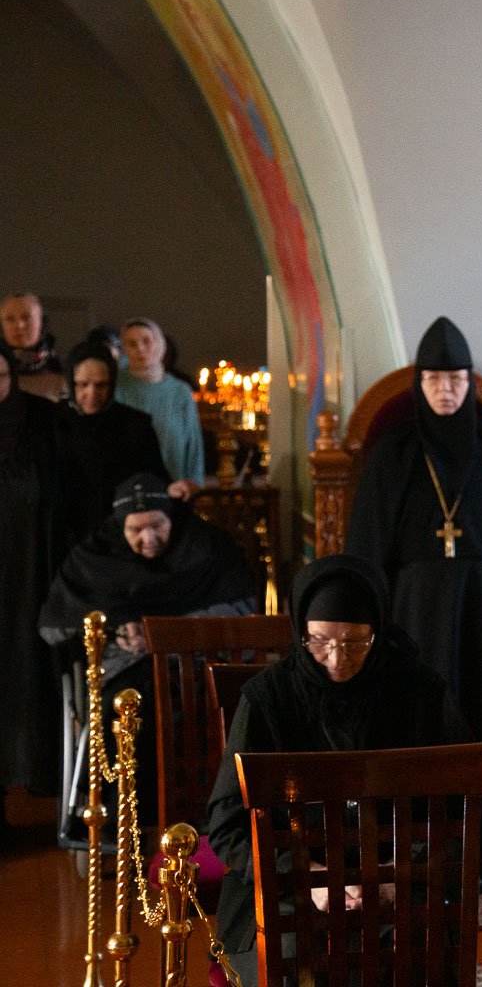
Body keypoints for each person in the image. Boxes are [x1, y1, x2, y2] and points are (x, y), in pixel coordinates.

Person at [345, 316, 482, 872]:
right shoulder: (391, 454)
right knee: (417, 721)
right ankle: (414, 850)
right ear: (420, 384)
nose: (446, 390)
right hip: (411, 613)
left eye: (457, 380)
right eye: (435, 380)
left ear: (469, 384)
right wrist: (364, 622)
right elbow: (366, 547)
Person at [206, 554, 469, 987]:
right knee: (293, 955)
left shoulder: (421, 694)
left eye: (355, 643)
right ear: (300, 632)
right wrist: (308, 876)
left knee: (420, 946)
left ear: (377, 632)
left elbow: (461, 807)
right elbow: (227, 825)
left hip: (400, 881)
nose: (335, 659)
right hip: (288, 887)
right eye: (320, 642)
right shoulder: (267, 700)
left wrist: (397, 874)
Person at [39, 473, 258, 825]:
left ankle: (215, 816)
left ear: (171, 517)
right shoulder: (93, 559)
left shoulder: (204, 546)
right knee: (131, 707)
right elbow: (53, 627)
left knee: (213, 702)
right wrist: (114, 628)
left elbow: (244, 609)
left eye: (157, 525)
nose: (149, 539)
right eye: (136, 530)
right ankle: (127, 819)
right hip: (128, 668)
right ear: (120, 526)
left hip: (197, 661)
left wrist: (168, 632)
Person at [0, 342, 81, 829]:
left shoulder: (41, 423)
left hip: (29, 572)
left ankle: (34, 778)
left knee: (26, 681)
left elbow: (62, 499)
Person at [63, 340, 171, 525]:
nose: (92, 393)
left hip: (121, 528)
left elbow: (154, 480)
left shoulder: (135, 424)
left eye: (101, 385)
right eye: (83, 384)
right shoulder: (54, 422)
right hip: (67, 527)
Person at [114, 317, 206, 487]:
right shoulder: (116, 386)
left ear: (159, 343)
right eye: (132, 344)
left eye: (146, 341)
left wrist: (194, 483)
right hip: (128, 485)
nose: (140, 349)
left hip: (175, 484)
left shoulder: (180, 391)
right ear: (124, 349)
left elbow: (193, 443)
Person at [1, 292, 68, 402]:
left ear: (42, 322)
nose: (19, 325)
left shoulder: (65, 372)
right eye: (10, 319)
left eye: (26, 317)